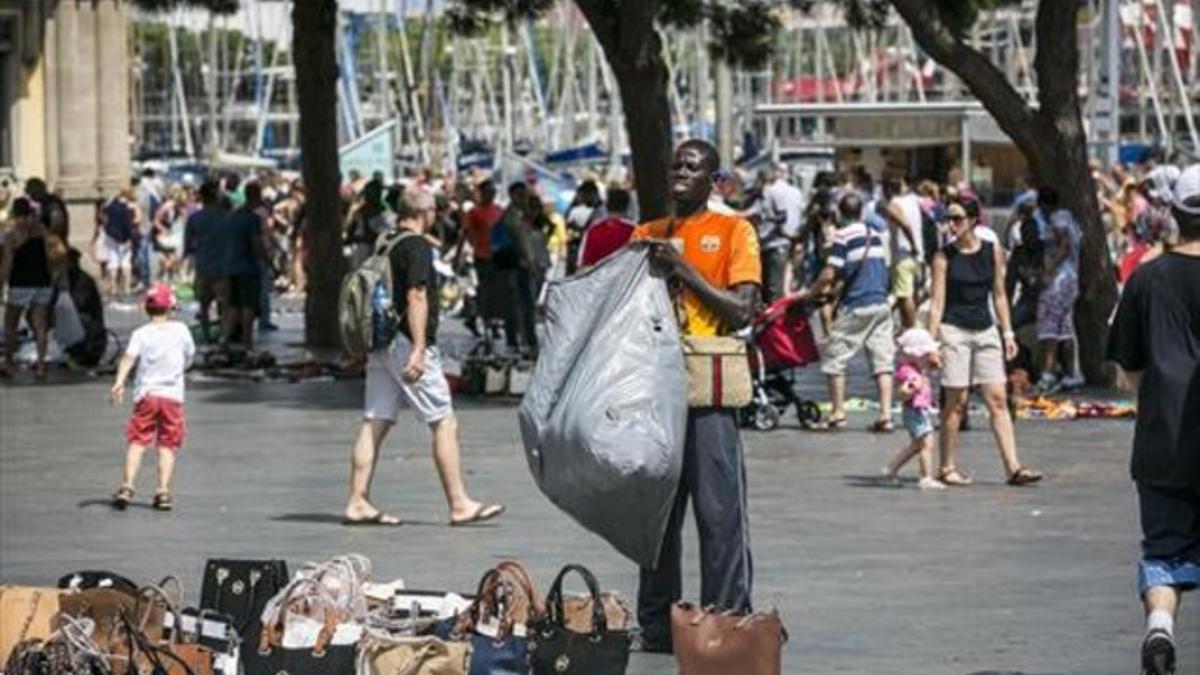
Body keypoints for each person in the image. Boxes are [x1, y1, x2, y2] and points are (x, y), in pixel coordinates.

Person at [629, 139, 760, 654]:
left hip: (707, 385)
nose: (682, 170)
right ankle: (659, 626)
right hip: (653, 390)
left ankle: (726, 619)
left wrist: (681, 269)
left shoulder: (733, 230)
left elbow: (742, 310)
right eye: (677, 163)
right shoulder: (646, 233)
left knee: (718, 511)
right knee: (656, 516)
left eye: (694, 166)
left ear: (713, 181)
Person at [344, 187, 505, 527]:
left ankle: (357, 500)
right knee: (443, 420)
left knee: (375, 420)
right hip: (406, 341)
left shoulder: (385, 240)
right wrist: (419, 347)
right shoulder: (416, 246)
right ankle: (459, 503)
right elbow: (416, 295)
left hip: (382, 342)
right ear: (425, 212)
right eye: (435, 209)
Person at [1107, 163, 1200, 675]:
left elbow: (1129, 367)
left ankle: (1159, 629)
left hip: (1163, 442)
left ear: (1174, 214)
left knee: (1164, 550)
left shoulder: (1146, 278)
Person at [928, 200, 1041, 487]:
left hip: (986, 330)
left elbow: (1000, 295)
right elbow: (937, 302)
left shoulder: (993, 253)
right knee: (956, 402)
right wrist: (931, 342)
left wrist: (1008, 334)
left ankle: (1013, 468)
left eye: (956, 218)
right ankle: (947, 467)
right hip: (954, 331)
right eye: (948, 218)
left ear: (973, 220)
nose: (951, 224)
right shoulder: (943, 257)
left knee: (998, 399)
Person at [795, 193, 895, 432]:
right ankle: (886, 414)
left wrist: (811, 294)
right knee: (882, 361)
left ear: (840, 213)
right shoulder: (875, 235)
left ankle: (838, 412)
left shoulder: (843, 236)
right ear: (861, 212)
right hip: (881, 303)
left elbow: (831, 273)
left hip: (857, 305)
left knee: (834, 357)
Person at [109, 283, 196, 512]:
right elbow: (189, 357)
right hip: (173, 397)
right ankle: (163, 492)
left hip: (146, 396)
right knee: (167, 445)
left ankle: (127, 487)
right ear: (171, 308)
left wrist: (119, 382)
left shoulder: (141, 333)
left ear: (147, 309)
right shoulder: (181, 330)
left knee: (137, 442)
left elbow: (128, 358)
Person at [882, 328, 945, 491]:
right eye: (925, 353)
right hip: (915, 412)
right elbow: (901, 392)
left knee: (917, 445)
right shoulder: (908, 372)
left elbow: (934, 365)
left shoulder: (916, 368)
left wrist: (934, 362)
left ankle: (891, 469)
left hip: (919, 411)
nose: (927, 356)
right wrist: (911, 388)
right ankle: (926, 477)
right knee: (926, 444)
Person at [1034, 187, 1084, 392]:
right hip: (1070, 278)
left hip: (1059, 279)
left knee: (1050, 323)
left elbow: (1063, 246)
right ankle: (1072, 373)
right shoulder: (1069, 218)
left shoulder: (1058, 218)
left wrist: (1048, 270)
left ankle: (1048, 371)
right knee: (1064, 325)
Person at [0, 197, 54, 379]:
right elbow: (49, 259)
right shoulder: (42, 231)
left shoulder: (12, 235)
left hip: (20, 284)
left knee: (11, 324)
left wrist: (1, 285)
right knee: (40, 325)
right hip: (42, 283)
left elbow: (7, 263)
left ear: (15, 214)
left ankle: (8, 362)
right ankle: (40, 365)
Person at [218, 181, 267, 355]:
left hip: (231, 266)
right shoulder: (253, 219)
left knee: (232, 307)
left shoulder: (232, 217)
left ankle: (224, 340)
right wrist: (266, 260)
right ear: (256, 196)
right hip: (248, 267)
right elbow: (256, 244)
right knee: (248, 307)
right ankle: (248, 343)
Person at [183, 181, 227, 344]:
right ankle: (224, 335)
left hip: (203, 265)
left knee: (204, 305)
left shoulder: (194, 218)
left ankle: (207, 335)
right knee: (224, 303)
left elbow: (188, 246)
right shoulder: (226, 216)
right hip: (223, 266)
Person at [459, 180, 503, 336]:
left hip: (499, 257)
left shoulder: (499, 211)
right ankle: (486, 322)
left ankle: (488, 320)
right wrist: (458, 255)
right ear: (482, 193)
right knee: (485, 290)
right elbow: (465, 233)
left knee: (497, 290)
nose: (492, 195)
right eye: (489, 192)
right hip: (482, 256)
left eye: (493, 192)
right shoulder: (474, 212)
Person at [882, 175, 925, 328]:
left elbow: (905, 225)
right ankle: (911, 327)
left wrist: (912, 244)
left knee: (904, 295)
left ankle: (910, 328)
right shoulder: (913, 200)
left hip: (903, 255)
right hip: (917, 256)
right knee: (912, 294)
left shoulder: (893, 205)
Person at [759, 166, 804, 302]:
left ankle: (776, 319)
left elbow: (782, 217)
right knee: (784, 284)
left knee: (773, 287)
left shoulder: (772, 191)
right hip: (788, 241)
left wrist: (767, 220)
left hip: (775, 243)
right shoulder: (796, 192)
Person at [578, 187, 635, 267]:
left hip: (597, 278)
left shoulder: (593, 229)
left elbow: (584, 263)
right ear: (627, 206)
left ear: (607, 205)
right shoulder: (636, 231)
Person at [99, 188, 139, 297]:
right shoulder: (127, 208)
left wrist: (106, 226)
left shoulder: (110, 205)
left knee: (113, 262)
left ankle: (113, 287)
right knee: (126, 262)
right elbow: (129, 224)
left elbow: (102, 214)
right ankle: (126, 288)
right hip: (124, 238)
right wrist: (130, 238)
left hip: (111, 236)